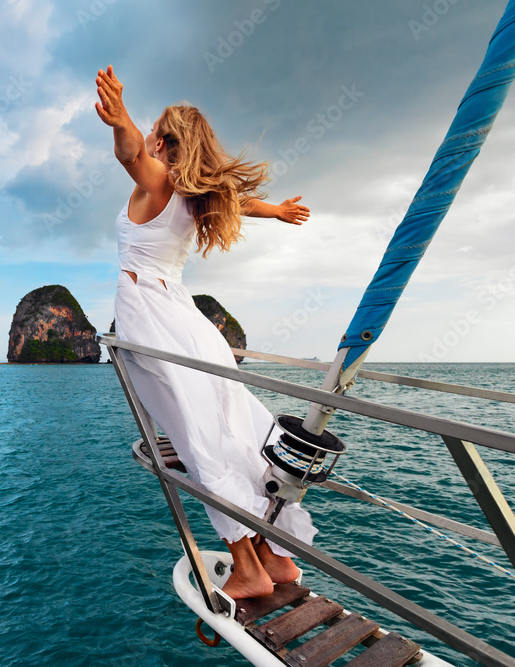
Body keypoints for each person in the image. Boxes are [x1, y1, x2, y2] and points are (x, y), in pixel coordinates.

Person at [95, 65, 316, 600]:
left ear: (166, 142)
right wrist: (279, 210)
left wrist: (120, 117)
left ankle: (248, 567)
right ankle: (275, 555)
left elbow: (129, 155)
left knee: (199, 440)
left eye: (152, 130)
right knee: (233, 427)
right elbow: (243, 203)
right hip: (188, 321)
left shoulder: (162, 182)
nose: (144, 136)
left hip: (153, 318)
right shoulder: (199, 195)